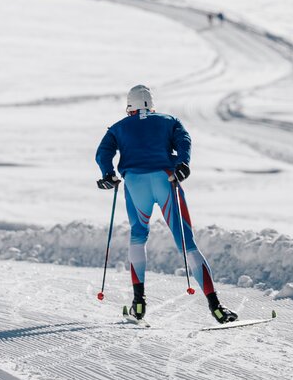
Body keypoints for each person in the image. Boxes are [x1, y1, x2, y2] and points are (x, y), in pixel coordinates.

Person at [95, 84, 237, 324]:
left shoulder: (118, 127)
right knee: (187, 244)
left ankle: (138, 304)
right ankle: (217, 307)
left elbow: (103, 152)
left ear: (129, 107)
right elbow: (184, 140)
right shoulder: (169, 120)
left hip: (135, 183)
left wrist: (108, 174)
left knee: (138, 237)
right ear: (151, 105)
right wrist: (183, 164)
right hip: (165, 179)